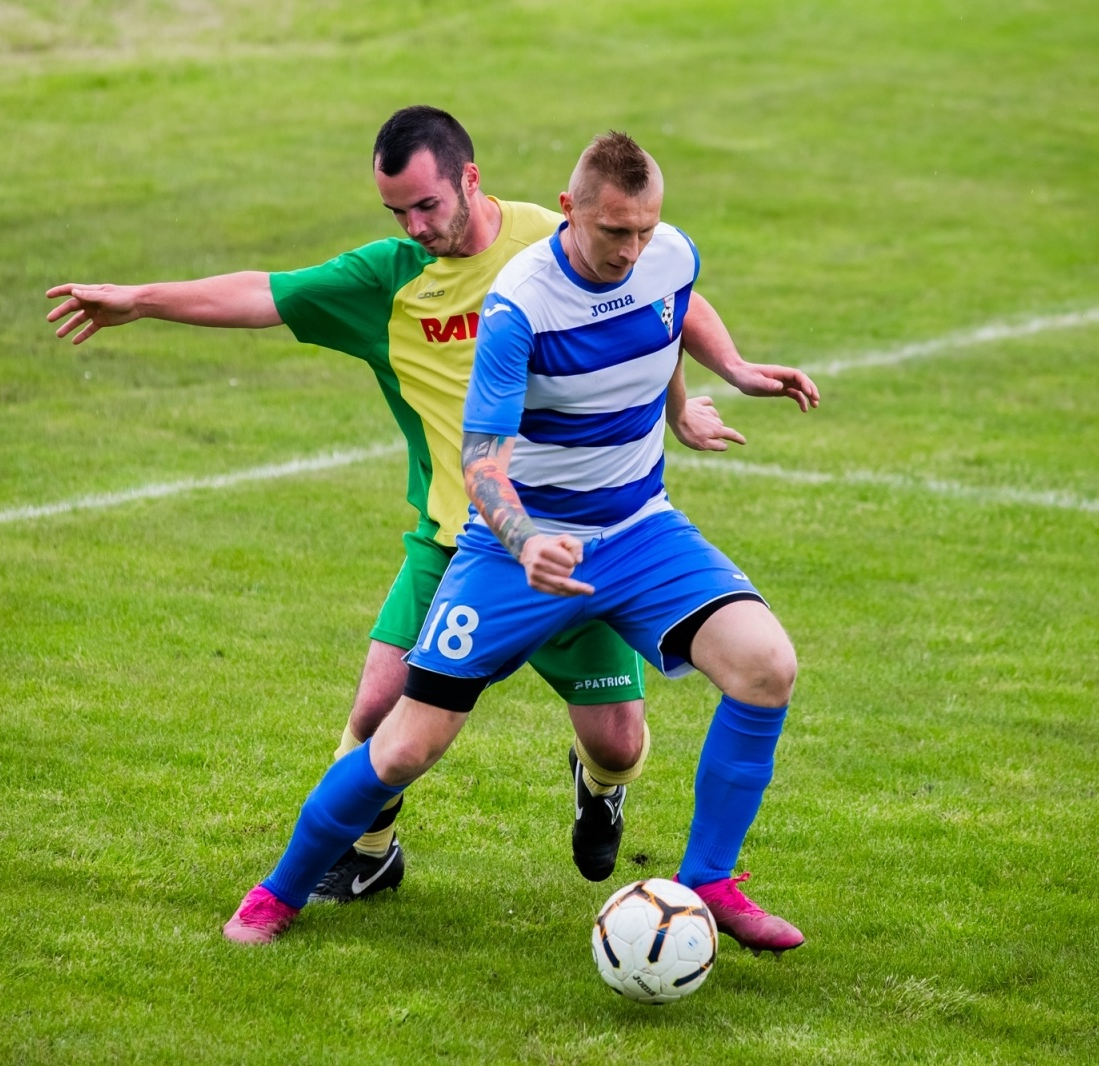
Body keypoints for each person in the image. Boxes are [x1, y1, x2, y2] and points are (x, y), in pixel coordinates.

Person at [46, 106, 803, 901]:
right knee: (381, 710)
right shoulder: (390, 278)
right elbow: (265, 294)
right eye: (396, 212)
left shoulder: (569, 237)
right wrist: (139, 300)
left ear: (470, 181)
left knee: (618, 741)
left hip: (587, 541)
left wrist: (689, 397)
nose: (413, 226)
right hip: (462, 538)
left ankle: (601, 784)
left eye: (426, 206)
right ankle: (365, 855)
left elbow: (661, 299)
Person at [223, 130, 817, 955]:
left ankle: (709, 881)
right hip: (514, 553)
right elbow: (483, 465)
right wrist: (527, 538)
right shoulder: (520, 304)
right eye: (615, 232)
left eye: (646, 229)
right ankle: (276, 895)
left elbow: (674, 307)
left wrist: (731, 372)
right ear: (569, 213)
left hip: (640, 530)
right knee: (401, 746)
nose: (632, 249)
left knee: (767, 666)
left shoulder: (666, 254)